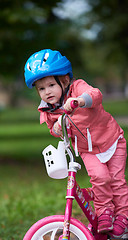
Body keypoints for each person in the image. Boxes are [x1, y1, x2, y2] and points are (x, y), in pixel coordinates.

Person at [24, 49, 128, 237]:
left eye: (50, 85)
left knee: (116, 181)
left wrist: (79, 101)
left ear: (63, 81)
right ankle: (104, 211)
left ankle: (122, 216)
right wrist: (55, 129)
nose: (47, 92)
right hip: (87, 149)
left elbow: (95, 95)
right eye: (41, 88)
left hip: (113, 140)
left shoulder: (77, 87)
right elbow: (54, 130)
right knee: (100, 178)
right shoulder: (47, 110)